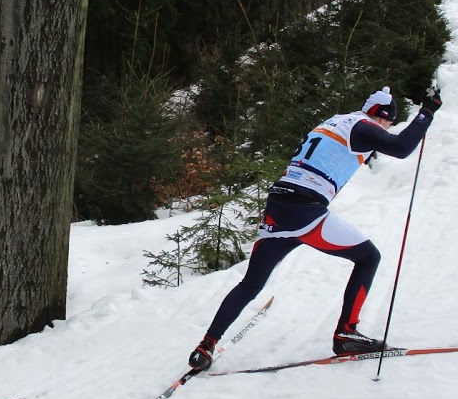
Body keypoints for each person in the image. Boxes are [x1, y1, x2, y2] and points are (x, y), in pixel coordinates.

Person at [187, 86, 442, 372]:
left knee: (251, 284)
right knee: (369, 257)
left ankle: (205, 346)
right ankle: (346, 333)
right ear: (381, 116)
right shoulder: (363, 126)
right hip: (304, 210)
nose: (385, 130)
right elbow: (401, 147)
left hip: (279, 206)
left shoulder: (336, 121)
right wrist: (427, 112)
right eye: (388, 123)